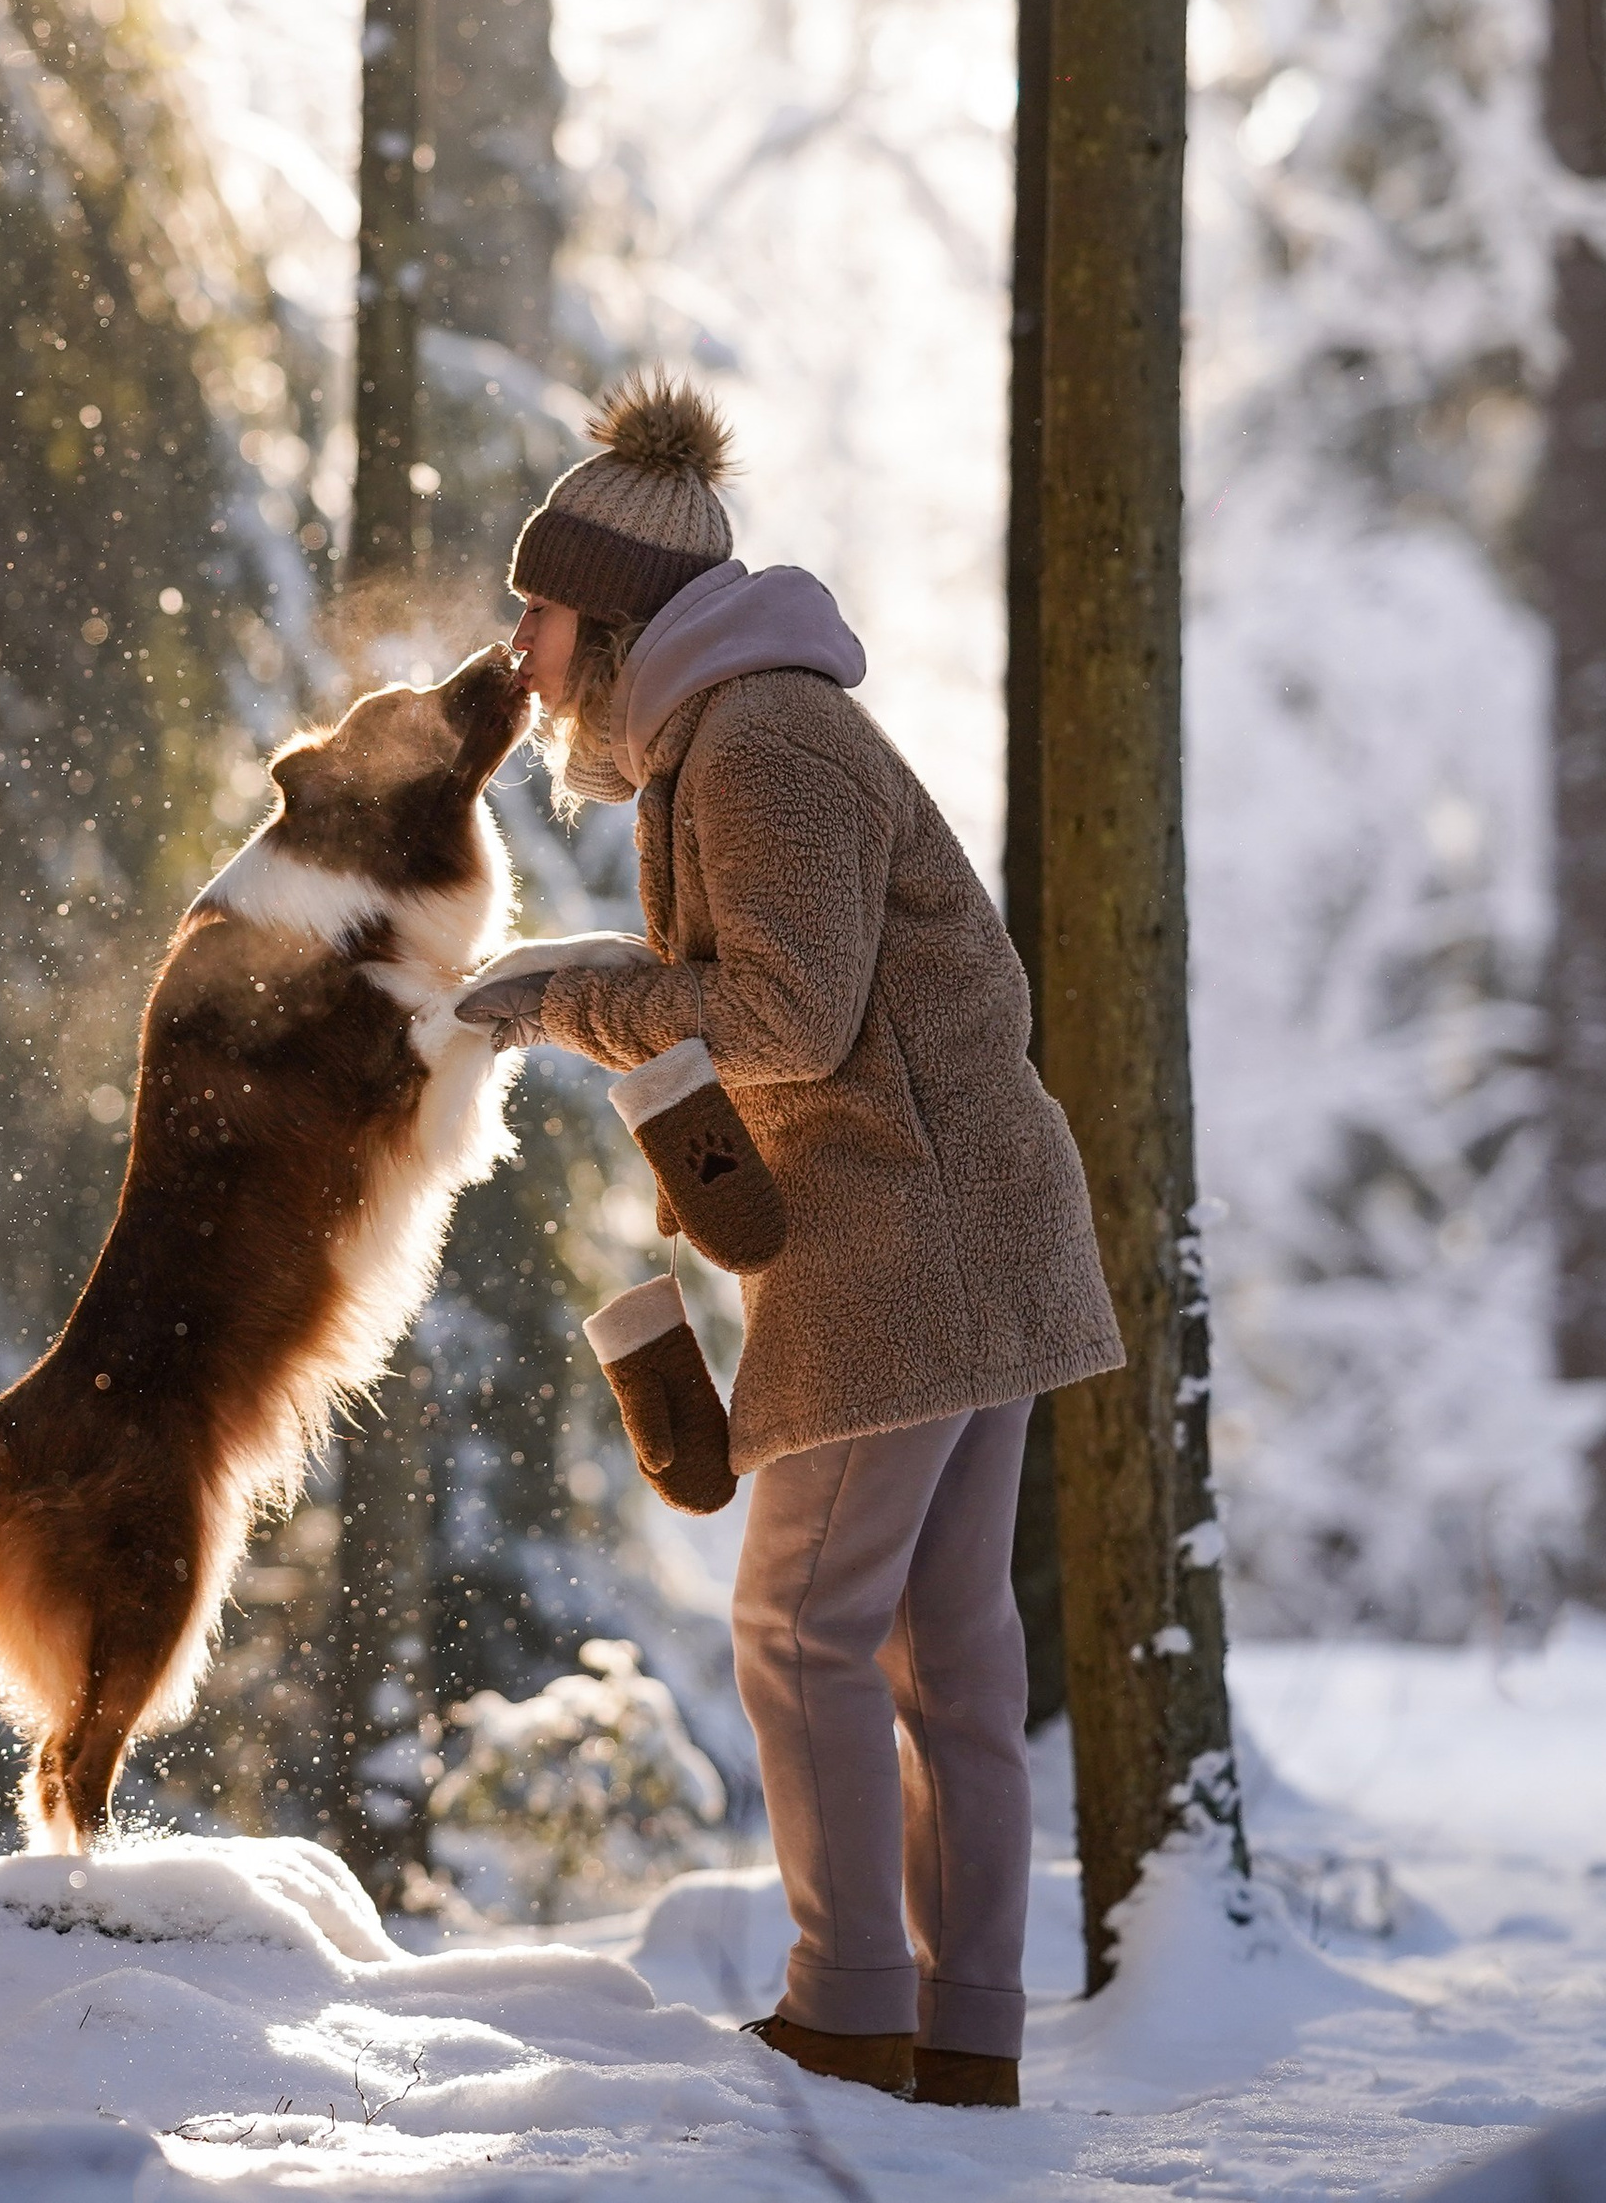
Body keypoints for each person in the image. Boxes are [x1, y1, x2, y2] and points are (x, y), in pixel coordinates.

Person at [458, 371, 1123, 2111]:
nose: (519, 651)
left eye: (535, 611)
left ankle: (846, 2011)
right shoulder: (739, 730)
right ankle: (963, 2030)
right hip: (974, 1233)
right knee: (943, 1648)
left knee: (803, 1630)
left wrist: (563, 995)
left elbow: (783, 1016)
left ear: (608, 622)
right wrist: (595, 979)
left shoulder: (755, 738)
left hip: (904, 1249)